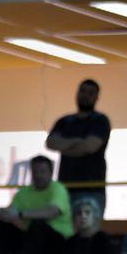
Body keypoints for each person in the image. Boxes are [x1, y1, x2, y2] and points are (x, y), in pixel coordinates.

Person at [0, 154, 71, 254]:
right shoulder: (24, 192)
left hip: (57, 242)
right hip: (32, 239)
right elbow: (11, 211)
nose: (38, 175)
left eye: (42, 171)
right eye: (35, 171)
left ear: (51, 173)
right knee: (1, 225)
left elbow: (52, 212)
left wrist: (21, 214)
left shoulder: (58, 188)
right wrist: (3, 213)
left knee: (37, 225)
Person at [46, 78, 110, 209]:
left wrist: (64, 147)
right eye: (82, 91)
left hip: (92, 188)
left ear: (97, 97)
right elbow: (51, 143)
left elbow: (90, 147)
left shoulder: (100, 121)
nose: (85, 96)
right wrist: (77, 141)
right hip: (65, 188)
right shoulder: (64, 121)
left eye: (90, 93)